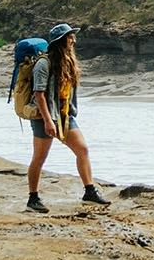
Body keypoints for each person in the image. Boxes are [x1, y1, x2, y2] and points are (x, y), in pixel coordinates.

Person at [26, 22, 108, 212]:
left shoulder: (68, 61)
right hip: (43, 115)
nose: (73, 40)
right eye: (70, 37)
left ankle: (89, 191)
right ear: (60, 41)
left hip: (64, 115)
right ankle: (33, 198)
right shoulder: (43, 64)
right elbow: (39, 94)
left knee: (83, 149)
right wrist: (47, 121)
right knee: (39, 157)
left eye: (73, 36)